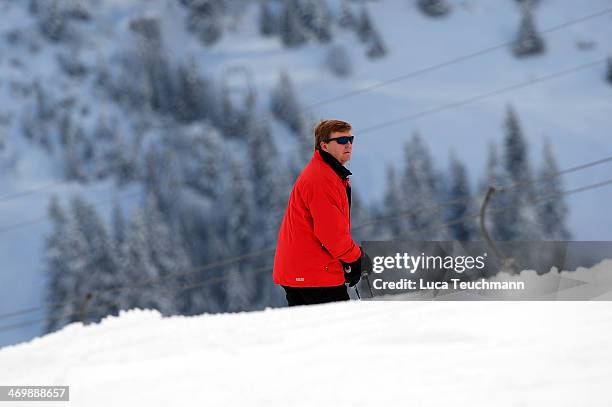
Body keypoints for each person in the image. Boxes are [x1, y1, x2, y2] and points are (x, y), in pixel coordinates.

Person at [273, 119, 364, 306]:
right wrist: (355, 259)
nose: (348, 144)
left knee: (312, 333)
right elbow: (331, 234)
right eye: (340, 140)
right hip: (315, 275)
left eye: (350, 139)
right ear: (324, 145)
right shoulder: (322, 179)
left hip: (304, 272)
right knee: (341, 330)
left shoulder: (326, 173)